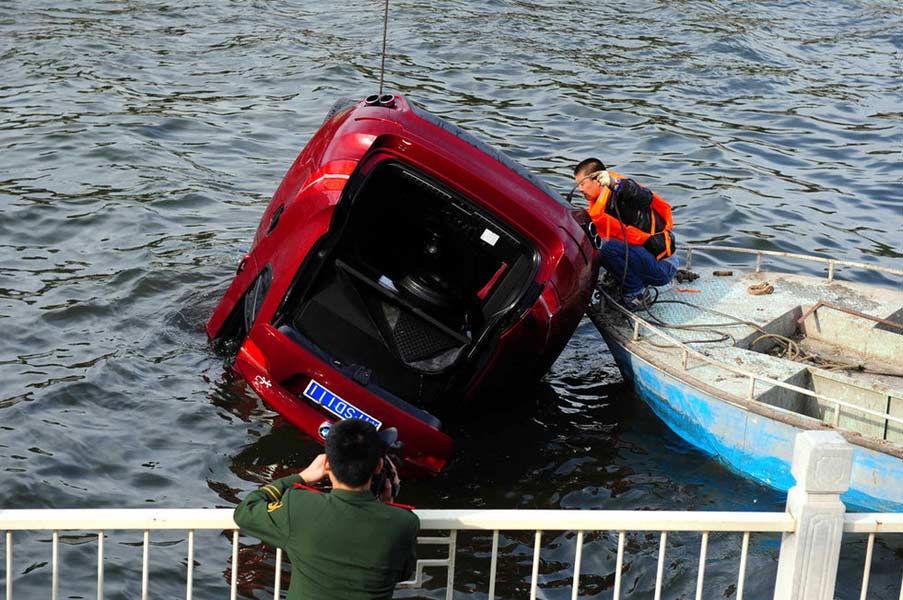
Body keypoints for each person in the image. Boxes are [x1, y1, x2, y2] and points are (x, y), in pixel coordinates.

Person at [234, 419, 419, 600]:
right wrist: (387, 505)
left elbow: (245, 510)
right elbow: (401, 574)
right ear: (378, 466)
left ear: (327, 465)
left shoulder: (299, 506)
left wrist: (301, 477)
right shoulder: (404, 523)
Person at [574, 157, 678, 306]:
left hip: (663, 267)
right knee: (597, 246)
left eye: (582, 183)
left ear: (598, 179)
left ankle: (636, 293)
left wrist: (615, 184)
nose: (580, 189)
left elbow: (643, 195)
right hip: (646, 260)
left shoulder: (621, 192)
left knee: (605, 247)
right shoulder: (599, 205)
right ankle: (628, 285)